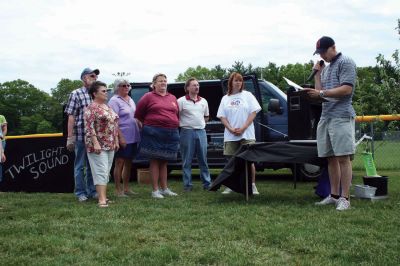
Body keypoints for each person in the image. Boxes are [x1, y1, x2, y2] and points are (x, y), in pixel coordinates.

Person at [305, 36, 357, 211]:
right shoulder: (326, 69)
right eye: (319, 53)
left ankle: (345, 198)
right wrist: (318, 74)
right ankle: (334, 196)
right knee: (331, 158)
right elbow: (321, 92)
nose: (322, 56)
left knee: (343, 157)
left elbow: (346, 89)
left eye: (323, 52)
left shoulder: (346, 62)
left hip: (341, 116)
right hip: (326, 116)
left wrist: (320, 94)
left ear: (333, 47)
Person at [135, 73, 179, 199]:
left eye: (165, 80)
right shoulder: (148, 97)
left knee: (164, 161)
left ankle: (165, 188)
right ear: (154, 84)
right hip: (154, 132)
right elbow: (138, 114)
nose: (163, 83)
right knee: (154, 160)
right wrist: (151, 125)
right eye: (160, 81)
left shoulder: (172, 97)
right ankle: (155, 190)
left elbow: (177, 114)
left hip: (171, 132)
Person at [217, 72, 262, 195]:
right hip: (230, 135)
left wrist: (243, 127)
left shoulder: (248, 95)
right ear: (230, 82)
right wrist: (231, 128)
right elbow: (222, 116)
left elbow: (253, 112)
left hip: (246, 134)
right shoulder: (225, 98)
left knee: (249, 161)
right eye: (236, 80)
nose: (238, 83)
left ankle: (252, 185)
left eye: (240, 80)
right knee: (232, 162)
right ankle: (231, 185)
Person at [65, 67, 99, 202]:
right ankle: (80, 192)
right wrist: (69, 137)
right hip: (80, 135)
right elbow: (71, 116)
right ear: (84, 78)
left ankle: (92, 191)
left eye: (95, 76)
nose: (94, 78)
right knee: (80, 165)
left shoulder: (96, 94)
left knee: (92, 165)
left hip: (95, 137)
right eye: (92, 76)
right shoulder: (76, 93)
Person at [84, 81, 119, 207]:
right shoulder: (91, 108)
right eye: (103, 91)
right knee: (100, 170)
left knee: (106, 171)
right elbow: (89, 127)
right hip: (97, 145)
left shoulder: (107, 107)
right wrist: (95, 143)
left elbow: (114, 124)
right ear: (95, 93)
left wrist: (115, 140)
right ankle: (101, 200)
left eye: (106, 91)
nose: (106, 93)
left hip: (110, 144)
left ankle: (104, 196)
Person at [177, 78, 212, 192]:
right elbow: (176, 116)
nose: (196, 87)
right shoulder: (181, 101)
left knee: (203, 159)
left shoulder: (204, 101)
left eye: (197, 85)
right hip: (186, 132)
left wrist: (200, 124)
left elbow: (206, 116)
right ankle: (187, 185)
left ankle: (207, 184)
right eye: (193, 85)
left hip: (201, 132)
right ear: (187, 88)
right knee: (187, 160)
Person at [108, 79, 141, 197]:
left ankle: (126, 188)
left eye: (128, 85)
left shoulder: (130, 99)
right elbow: (113, 120)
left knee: (129, 163)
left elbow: (135, 116)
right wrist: (120, 137)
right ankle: (118, 190)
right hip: (123, 136)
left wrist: (140, 124)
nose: (127, 87)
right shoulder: (114, 101)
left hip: (133, 136)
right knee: (119, 162)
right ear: (117, 87)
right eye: (123, 85)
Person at [0, 115, 7, 182]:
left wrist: (1, 137)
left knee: (0, 161)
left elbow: (5, 130)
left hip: (1, 142)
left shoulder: (1, 117)